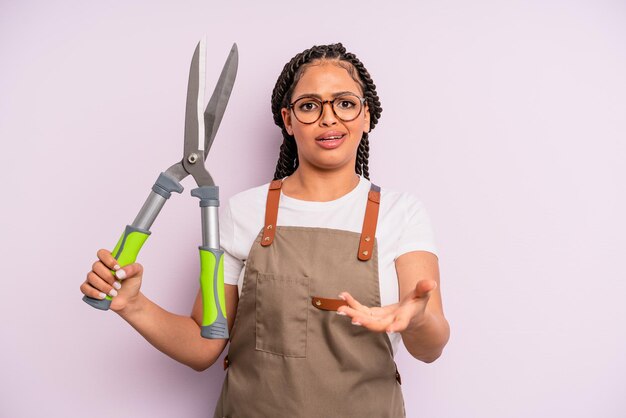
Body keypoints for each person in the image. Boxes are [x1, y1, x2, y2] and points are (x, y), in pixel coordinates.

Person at [81, 43, 450, 418]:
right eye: (309, 105)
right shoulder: (245, 211)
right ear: (288, 121)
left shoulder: (401, 213)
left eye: (345, 103)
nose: (329, 118)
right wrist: (132, 304)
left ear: (366, 115)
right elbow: (203, 346)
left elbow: (431, 347)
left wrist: (417, 319)